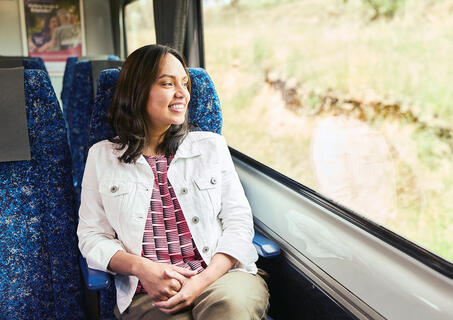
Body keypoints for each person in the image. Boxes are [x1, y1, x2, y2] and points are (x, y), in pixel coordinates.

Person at [77, 44, 269, 320]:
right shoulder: (102, 157)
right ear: (138, 91)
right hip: (149, 290)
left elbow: (238, 221)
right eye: (168, 84)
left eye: (185, 84)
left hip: (220, 278)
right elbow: (92, 237)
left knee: (228, 310)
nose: (183, 94)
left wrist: (201, 281)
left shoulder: (211, 146)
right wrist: (142, 268)